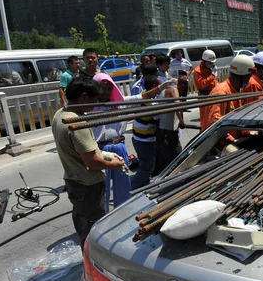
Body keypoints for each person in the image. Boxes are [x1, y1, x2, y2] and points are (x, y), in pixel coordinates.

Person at [51, 77, 125, 248]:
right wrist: (114, 165)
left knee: (82, 222)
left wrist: (105, 155)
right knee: (95, 227)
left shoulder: (60, 114)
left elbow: (84, 152)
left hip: (73, 181)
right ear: (83, 97)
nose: (95, 104)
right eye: (94, 100)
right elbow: (92, 163)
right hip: (88, 185)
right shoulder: (78, 124)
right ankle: (94, 261)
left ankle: (87, 253)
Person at [92, 73, 173, 208]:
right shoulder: (89, 108)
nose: (106, 91)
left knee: (123, 184)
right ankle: (103, 216)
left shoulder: (120, 103)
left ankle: (121, 212)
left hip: (119, 146)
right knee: (103, 187)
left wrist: (161, 88)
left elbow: (143, 96)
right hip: (101, 149)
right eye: (101, 87)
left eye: (109, 87)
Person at [201, 54, 254, 131]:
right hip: (219, 141)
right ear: (241, 76)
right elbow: (215, 123)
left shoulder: (236, 90)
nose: (249, 81)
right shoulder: (221, 92)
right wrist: (232, 140)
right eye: (248, 77)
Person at [130, 74, 162, 190]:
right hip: (145, 140)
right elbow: (158, 118)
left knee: (145, 165)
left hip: (138, 138)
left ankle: (144, 185)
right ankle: (130, 187)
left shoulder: (142, 96)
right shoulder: (151, 103)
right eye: (159, 87)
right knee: (147, 167)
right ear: (154, 86)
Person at [194, 49, 219, 127]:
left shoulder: (209, 68)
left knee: (213, 115)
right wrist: (212, 75)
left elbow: (214, 82)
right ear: (204, 61)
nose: (212, 64)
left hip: (213, 93)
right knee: (205, 118)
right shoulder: (197, 71)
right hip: (204, 95)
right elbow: (202, 84)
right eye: (210, 62)